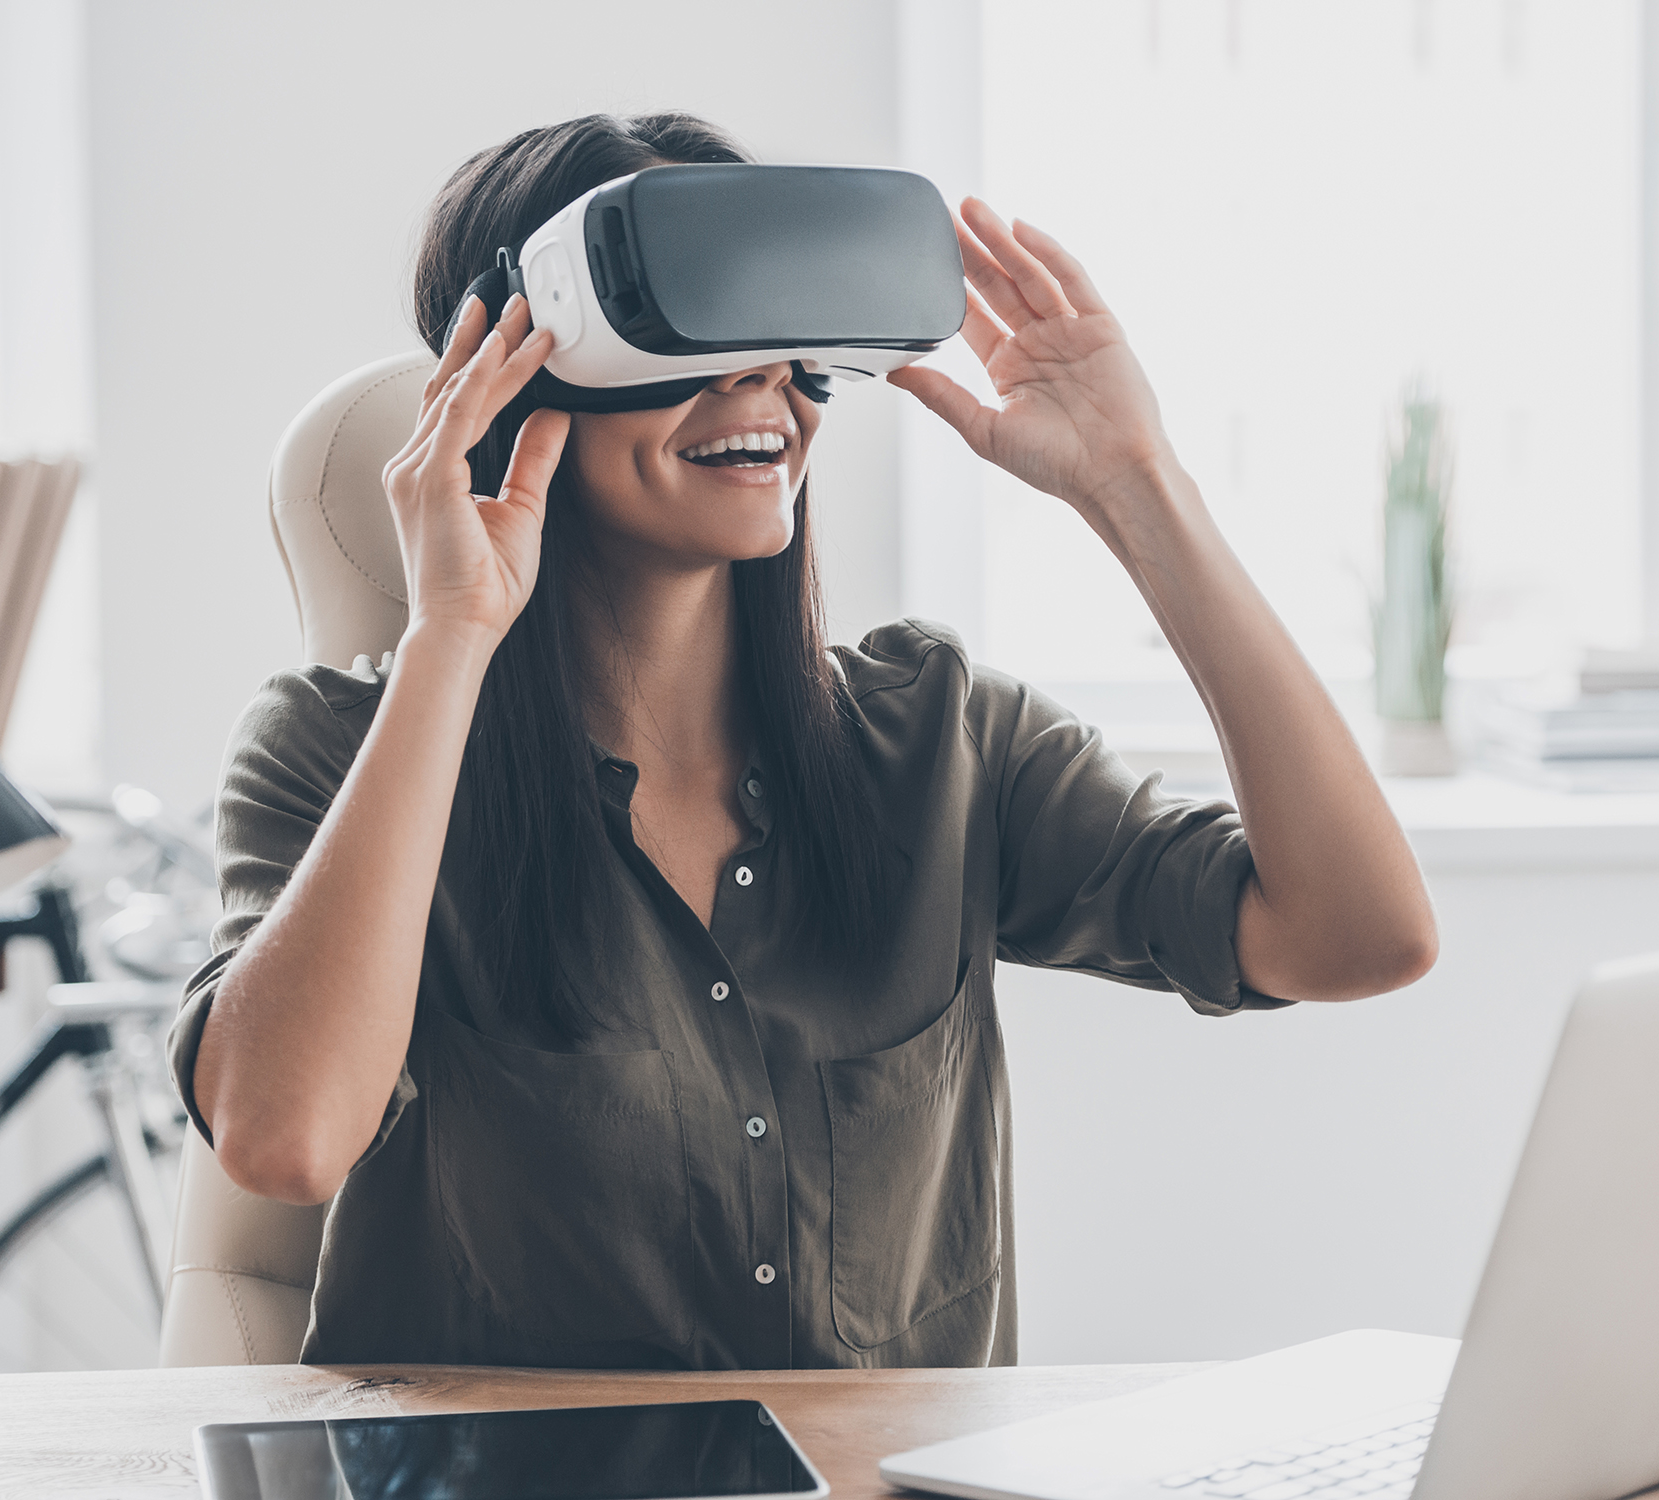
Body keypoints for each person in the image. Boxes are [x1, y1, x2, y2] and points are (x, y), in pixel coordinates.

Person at [169, 112, 1437, 1370]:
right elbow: (284, 1140)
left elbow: (1356, 936)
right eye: (689, 321)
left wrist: (1133, 483)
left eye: (781, 336)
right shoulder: (333, 753)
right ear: (509, 373)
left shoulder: (936, 739)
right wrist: (453, 631)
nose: (758, 378)